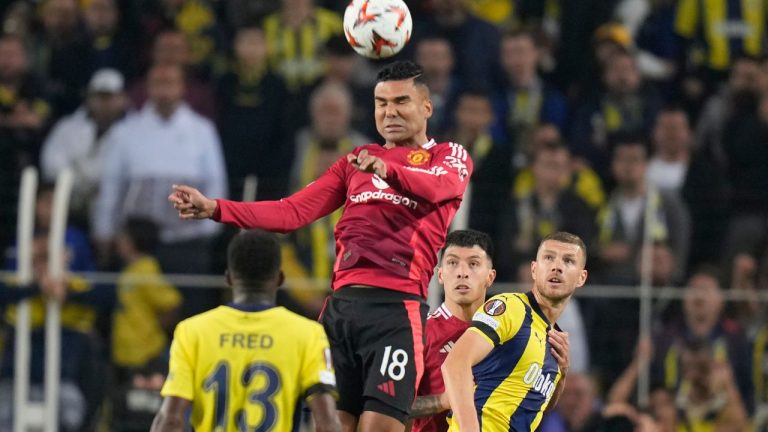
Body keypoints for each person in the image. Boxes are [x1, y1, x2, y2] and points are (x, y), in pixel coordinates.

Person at [169, 60, 473, 432]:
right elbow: (291, 212)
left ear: (426, 107)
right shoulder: (355, 163)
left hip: (395, 312)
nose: (389, 112)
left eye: (401, 102)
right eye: (381, 103)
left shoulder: (447, 156)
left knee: (380, 427)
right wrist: (216, 208)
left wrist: (387, 170)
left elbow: (442, 188)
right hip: (340, 311)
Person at [150, 230, 339, 432]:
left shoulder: (192, 331)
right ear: (280, 278)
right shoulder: (308, 333)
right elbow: (327, 422)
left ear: (229, 278)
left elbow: (170, 420)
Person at [442, 231, 585, 432]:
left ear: (581, 277)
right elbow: (455, 364)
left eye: (568, 261)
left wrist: (562, 374)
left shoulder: (555, 340)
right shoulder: (511, 308)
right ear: (534, 270)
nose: (557, 267)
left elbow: (538, 405)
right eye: (548, 258)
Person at [409, 230, 496, 432]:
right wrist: (444, 400)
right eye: (452, 263)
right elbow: (393, 405)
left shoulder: (506, 331)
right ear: (440, 274)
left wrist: (559, 378)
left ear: (490, 277)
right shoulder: (420, 333)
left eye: (473, 264)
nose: (462, 272)